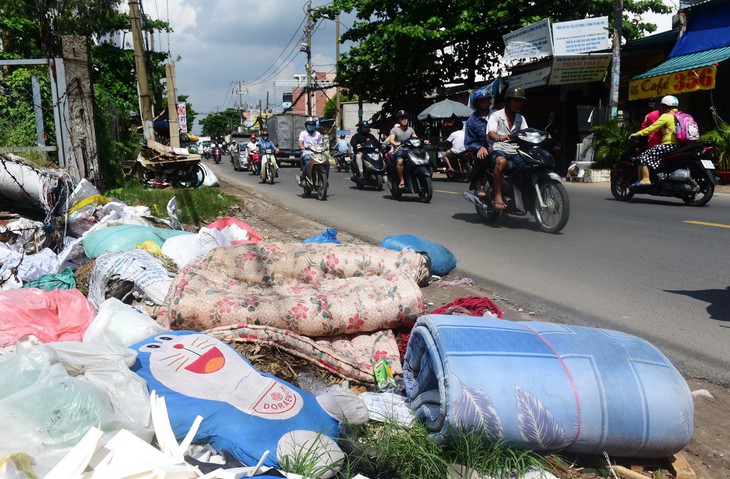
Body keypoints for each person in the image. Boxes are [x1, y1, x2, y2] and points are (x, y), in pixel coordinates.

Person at [486, 85, 529, 209]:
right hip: (497, 147)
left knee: (528, 164)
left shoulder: (521, 118)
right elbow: (491, 133)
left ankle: (515, 187)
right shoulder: (496, 116)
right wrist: (499, 137)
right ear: (507, 101)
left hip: (514, 149)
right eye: (515, 101)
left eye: (520, 101)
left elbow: (526, 132)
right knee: (501, 161)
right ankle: (498, 195)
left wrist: (542, 135)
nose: (518, 104)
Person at [629, 95, 682, 186]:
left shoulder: (666, 116)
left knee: (642, 157)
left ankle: (645, 180)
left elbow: (652, 128)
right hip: (681, 145)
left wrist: (637, 134)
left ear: (665, 106)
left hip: (668, 145)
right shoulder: (681, 115)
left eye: (662, 106)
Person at [465, 88, 494, 196]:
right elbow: (468, 142)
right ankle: (478, 184)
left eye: (486, 100)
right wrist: (479, 148)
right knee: (482, 158)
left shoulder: (496, 115)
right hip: (482, 150)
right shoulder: (471, 121)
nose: (484, 103)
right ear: (477, 103)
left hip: (499, 147)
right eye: (481, 101)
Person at [387, 110, 420, 189]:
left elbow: (415, 137)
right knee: (400, 162)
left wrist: (422, 141)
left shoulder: (410, 129)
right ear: (399, 120)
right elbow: (391, 139)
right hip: (400, 150)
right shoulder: (395, 130)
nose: (404, 120)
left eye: (405, 118)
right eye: (402, 118)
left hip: (411, 150)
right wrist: (395, 143)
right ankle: (401, 180)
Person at [298, 116, 325, 185]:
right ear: (306, 125)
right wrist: (302, 146)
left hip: (317, 153)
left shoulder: (318, 134)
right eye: (309, 125)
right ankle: (303, 178)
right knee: (308, 162)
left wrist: (324, 148)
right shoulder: (303, 133)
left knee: (326, 162)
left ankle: (325, 179)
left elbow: (321, 144)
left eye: (312, 125)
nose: (311, 126)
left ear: (314, 125)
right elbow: (300, 142)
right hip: (307, 152)